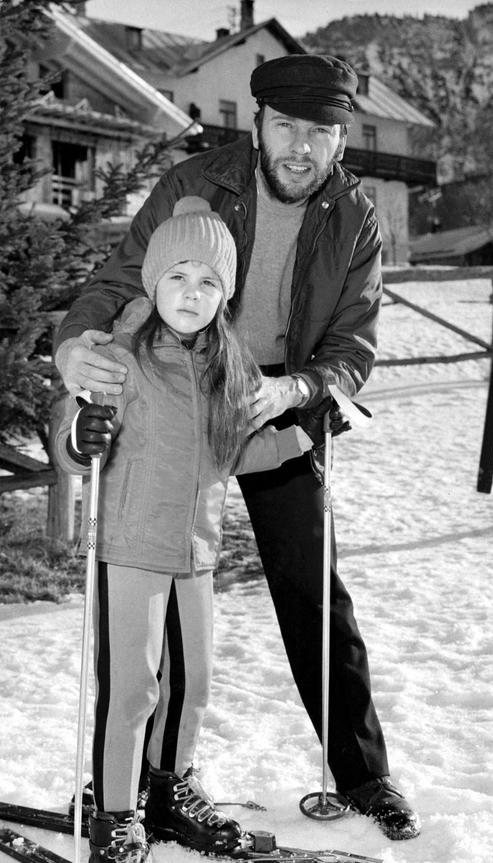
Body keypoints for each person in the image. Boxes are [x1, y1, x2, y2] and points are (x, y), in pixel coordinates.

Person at [53, 54, 420, 841]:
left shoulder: (355, 216)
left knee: (312, 586)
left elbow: (355, 343)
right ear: (255, 124)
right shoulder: (197, 184)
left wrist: (298, 391)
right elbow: (118, 281)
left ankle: (362, 775)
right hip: (180, 374)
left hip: (275, 393)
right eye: (285, 125)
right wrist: (72, 346)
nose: (300, 146)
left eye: (320, 132)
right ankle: (125, 787)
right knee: (152, 598)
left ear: (341, 136)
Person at [53, 196, 316, 863]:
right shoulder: (123, 356)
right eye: (177, 276)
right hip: (130, 543)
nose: (191, 293)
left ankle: (169, 787)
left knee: (191, 681)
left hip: (196, 551)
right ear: (153, 282)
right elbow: (73, 435)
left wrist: (295, 440)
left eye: (208, 281)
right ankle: (115, 807)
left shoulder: (227, 363)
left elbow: (232, 449)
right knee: (132, 685)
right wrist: (77, 434)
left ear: (225, 295)